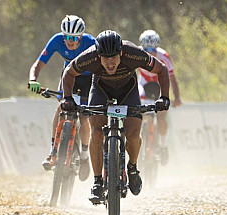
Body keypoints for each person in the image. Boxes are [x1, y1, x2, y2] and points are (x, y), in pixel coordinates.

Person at [60, 30, 170, 204]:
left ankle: (132, 168)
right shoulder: (90, 56)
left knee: (133, 134)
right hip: (100, 90)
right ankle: (97, 182)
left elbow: (161, 70)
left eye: (114, 58)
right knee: (96, 132)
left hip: (128, 90)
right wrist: (67, 98)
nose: (110, 64)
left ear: (121, 53)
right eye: (105, 59)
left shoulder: (133, 53)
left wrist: (164, 97)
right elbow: (69, 72)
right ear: (98, 55)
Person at [28, 15, 95, 181]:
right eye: (66, 37)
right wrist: (32, 80)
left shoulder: (91, 42)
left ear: (81, 37)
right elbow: (38, 64)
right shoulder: (57, 40)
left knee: (84, 117)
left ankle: (85, 156)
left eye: (73, 38)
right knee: (60, 108)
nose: (69, 41)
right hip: (69, 78)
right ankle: (54, 150)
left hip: (88, 79)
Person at [138, 30, 182, 165]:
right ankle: (140, 141)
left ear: (156, 47)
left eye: (152, 49)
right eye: (146, 49)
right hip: (144, 83)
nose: (149, 52)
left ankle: (163, 146)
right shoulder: (137, 53)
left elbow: (172, 78)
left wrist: (177, 98)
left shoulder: (164, 56)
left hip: (159, 83)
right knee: (139, 114)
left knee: (162, 117)